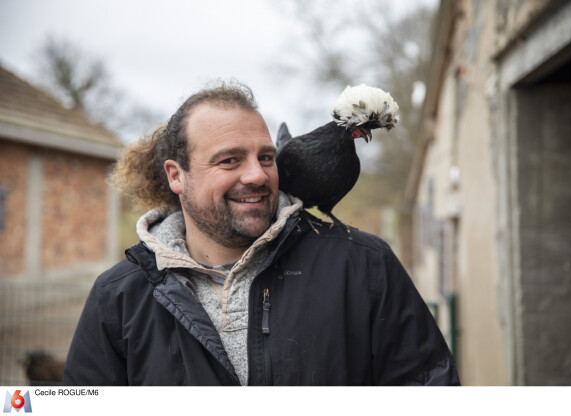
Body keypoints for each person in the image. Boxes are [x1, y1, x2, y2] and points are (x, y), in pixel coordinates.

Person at [62, 80, 460, 386]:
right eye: (230, 160)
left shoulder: (364, 266)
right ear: (176, 176)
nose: (257, 175)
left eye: (266, 157)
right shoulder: (117, 297)